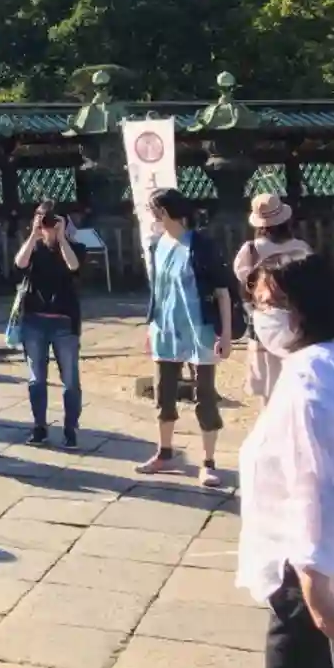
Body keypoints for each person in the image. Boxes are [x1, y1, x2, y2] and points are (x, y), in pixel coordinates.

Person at [237, 253, 334, 668]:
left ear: (304, 307)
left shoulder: (312, 374)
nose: (262, 316)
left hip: (315, 578)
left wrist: (314, 579)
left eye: (270, 305)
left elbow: (320, 480)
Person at [136, 188, 233, 488]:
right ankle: (164, 452)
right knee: (163, 393)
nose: (152, 216)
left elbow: (222, 291)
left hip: (199, 329)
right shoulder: (157, 244)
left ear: (164, 212)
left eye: (153, 210)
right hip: (165, 330)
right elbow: (158, 291)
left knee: (205, 395)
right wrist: (150, 326)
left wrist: (226, 333)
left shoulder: (201, 245)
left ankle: (208, 462)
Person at [12, 205, 84, 448]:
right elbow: (19, 264)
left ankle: (70, 429)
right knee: (37, 378)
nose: (48, 226)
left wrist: (61, 238)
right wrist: (34, 235)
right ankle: (39, 427)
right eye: (43, 220)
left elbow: (74, 267)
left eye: (52, 221)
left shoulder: (73, 247)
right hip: (34, 320)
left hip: (64, 321)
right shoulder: (33, 247)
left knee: (70, 380)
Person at [232, 194, 312, 405]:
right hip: (299, 319)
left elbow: (244, 280)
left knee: (269, 388)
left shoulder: (250, 250)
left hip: (265, 322)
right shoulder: (301, 248)